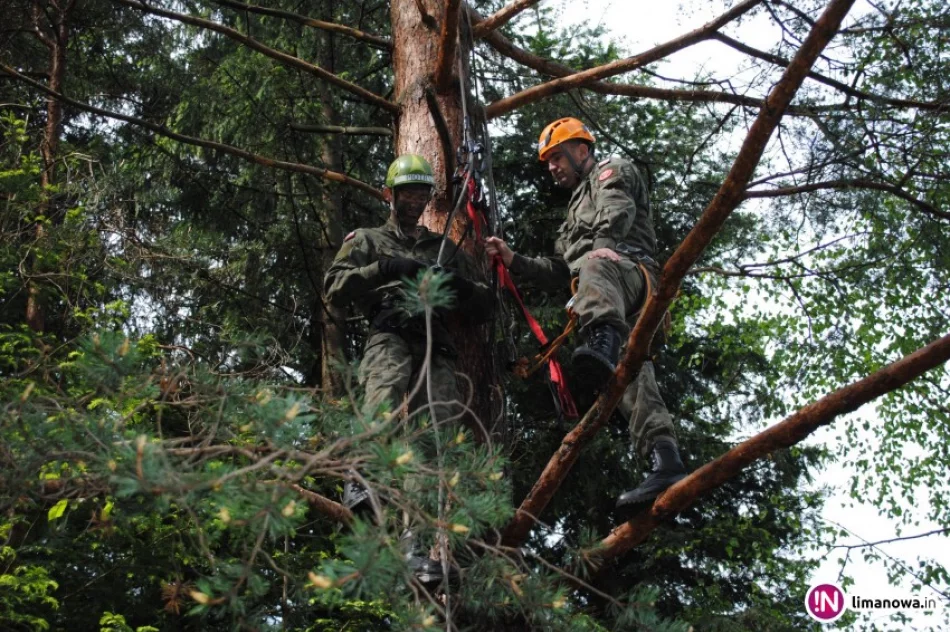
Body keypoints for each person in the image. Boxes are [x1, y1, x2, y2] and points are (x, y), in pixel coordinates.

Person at [484, 118, 687, 517]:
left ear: (581, 150)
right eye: (547, 162)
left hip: (633, 274)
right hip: (607, 294)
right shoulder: (572, 215)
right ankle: (666, 460)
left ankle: (603, 342)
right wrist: (515, 260)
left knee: (595, 268)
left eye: (557, 157)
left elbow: (618, 210)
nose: (552, 167)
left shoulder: (613, 171)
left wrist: (604, 249)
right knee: (632, 377)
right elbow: (562, 269)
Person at [324, 153, 493, 584]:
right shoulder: (366, 238)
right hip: (389, 332)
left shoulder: (443, 249)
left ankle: (418, 545)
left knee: (435, 439)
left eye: (421, 193)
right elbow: (335, 288)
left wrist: (455, 286)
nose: (415, 201)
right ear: (389, 195)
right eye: (407, 193)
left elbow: (485, 304)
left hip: (435, 344)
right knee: (383, 395)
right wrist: (386, 267)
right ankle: (364, 479)